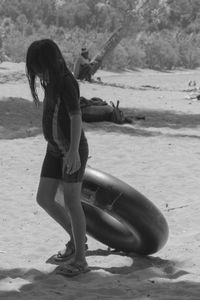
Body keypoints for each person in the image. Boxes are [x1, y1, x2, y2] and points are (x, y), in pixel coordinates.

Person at [26, 39, 90, 277]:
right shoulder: (50, 81)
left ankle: (81, 260)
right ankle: (76, 241)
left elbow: (75, 117)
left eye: (38, 67)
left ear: (49, 62)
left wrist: (73, 151)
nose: (36, 73)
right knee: (44, 198)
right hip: (53, 150)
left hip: (71, 149)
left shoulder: (65, 82)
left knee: (73, 203)